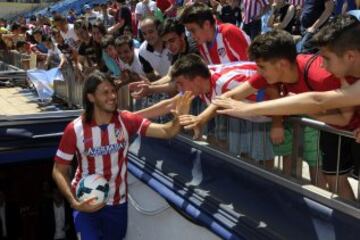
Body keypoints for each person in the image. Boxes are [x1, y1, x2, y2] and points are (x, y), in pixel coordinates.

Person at [213, 29, 359, 199]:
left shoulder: (321, 74)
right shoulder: (275, 71)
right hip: (339, 130)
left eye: (326, 58)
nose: (323, 63)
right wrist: (201, 119)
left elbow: (320, 102)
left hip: (347, 128)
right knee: (334, 178)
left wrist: (248, 109)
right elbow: (338, 115)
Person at [52, 71, 193, 240]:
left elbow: (166, 131)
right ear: (91, 97)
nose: (112, 96)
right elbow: (59, 170)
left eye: (113, 91)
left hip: (117, 204)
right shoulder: (74, 129)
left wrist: (180, 117)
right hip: (85, 203)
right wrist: (74, 202)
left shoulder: (126, 120)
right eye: (105, 92)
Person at [179, 2, 250, 64]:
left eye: (193, 30)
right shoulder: (202, 45)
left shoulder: (230, 33)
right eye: (189, 32)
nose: (192, 36)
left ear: (206, 24)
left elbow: (253, 66)